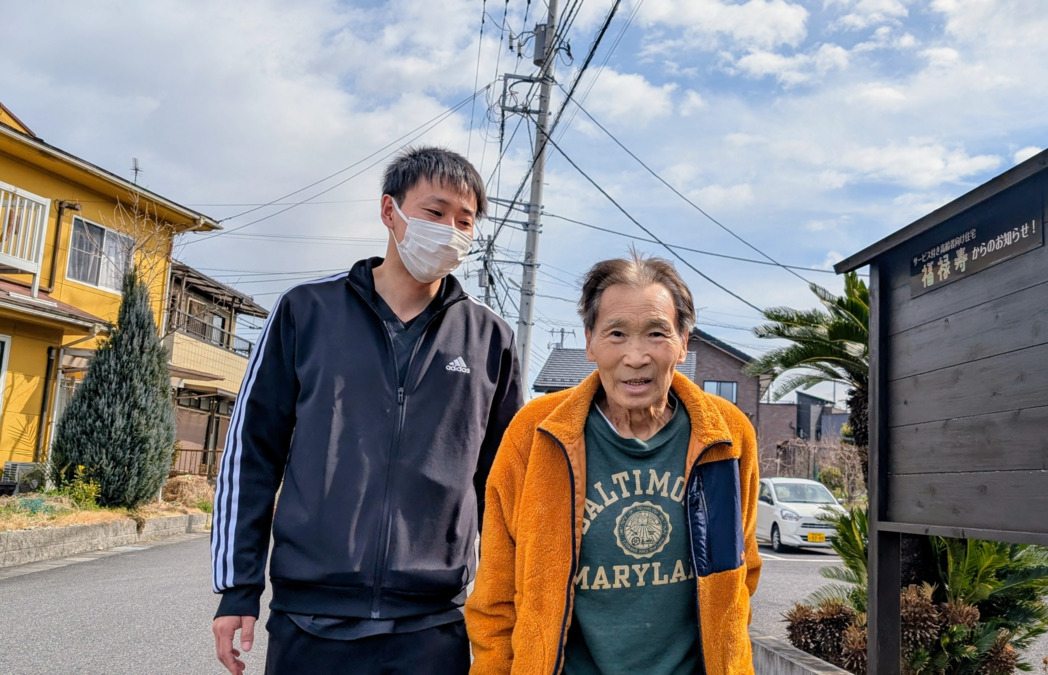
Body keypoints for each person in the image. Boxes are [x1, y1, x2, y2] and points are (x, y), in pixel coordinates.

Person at [210, 147, 522, 675]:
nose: (450, 230)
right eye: (435, 212)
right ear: (389, 211)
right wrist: (238, 587)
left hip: (433, 622)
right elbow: (251, 455)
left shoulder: (489, 337)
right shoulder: (306, 311)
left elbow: (508, 482)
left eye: (465, 221)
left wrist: (512, 602)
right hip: (311, 617)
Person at [466, 252, 761, 674]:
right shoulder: (534, 433)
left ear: (683, 343)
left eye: (657, 333)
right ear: (589, 342)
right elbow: (495, 594)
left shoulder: (727, 435)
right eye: (617, 333)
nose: (636, 356)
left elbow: (741, 575)